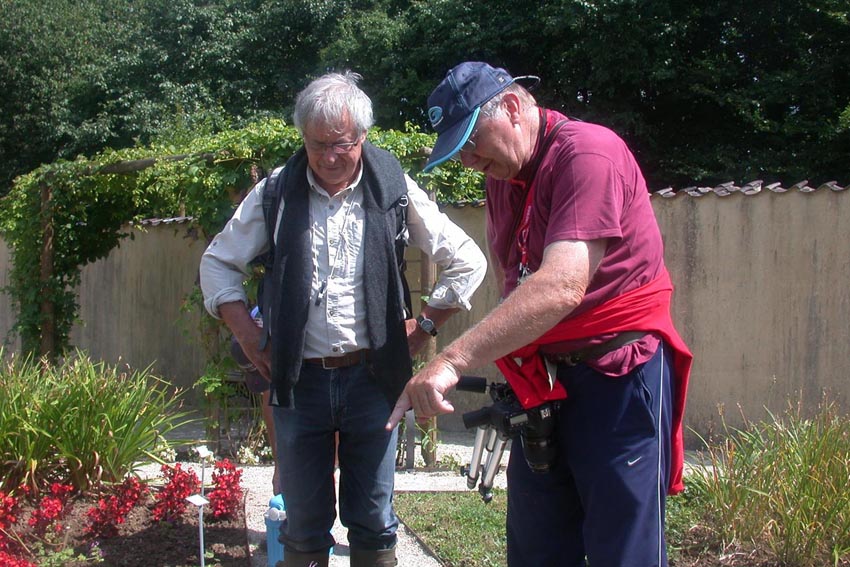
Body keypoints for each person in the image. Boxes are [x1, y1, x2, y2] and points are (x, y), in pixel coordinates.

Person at [387, 61, 693, 567]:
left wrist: (452, 359)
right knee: (536, 547)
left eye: (471, 141)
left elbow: (561, 286)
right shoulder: (503, 178)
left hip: (618, 376)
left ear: (512, 107)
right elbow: (516, 283)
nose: (469, 160)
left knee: (624, 552)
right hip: (548, 386)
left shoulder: (587, 153)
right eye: (459, 151)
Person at [200, 71, 486, 567]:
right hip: (299, 382)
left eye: (342, 144)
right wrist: (247, 335)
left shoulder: (393, 187)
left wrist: (425, 327)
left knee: (373, 519)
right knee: (302, 523)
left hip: (373, 382)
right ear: (302, 138)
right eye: (317, 145)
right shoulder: (277, 192)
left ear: (364, 136)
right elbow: (217, 263)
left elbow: (468, 260)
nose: (330, 157)